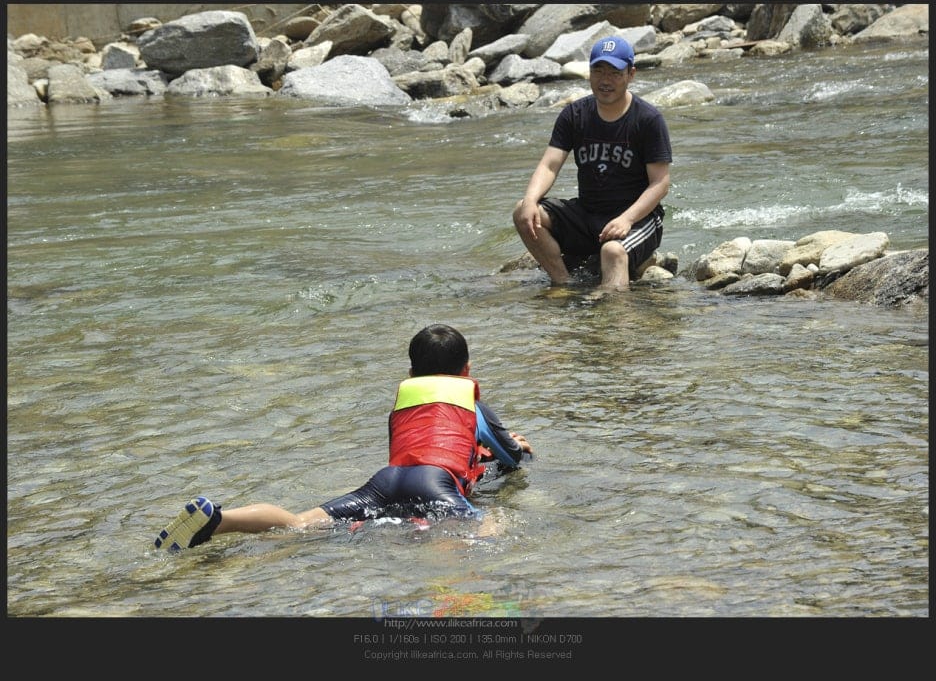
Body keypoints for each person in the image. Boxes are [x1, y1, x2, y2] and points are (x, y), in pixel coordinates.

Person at [154, 323, 534, 551]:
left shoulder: (403, 405)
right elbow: (512, 457)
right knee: (492, 522)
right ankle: (456, 569)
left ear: (411, 371)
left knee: (302, 523)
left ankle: (220, 519)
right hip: (435, 484)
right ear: (466, 370)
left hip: (387, 481)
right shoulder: (474, 406)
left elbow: (420, 447)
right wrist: (517, 446)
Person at [512, 35, 673, 291]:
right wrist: (531, 200)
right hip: (587, 215)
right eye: (598, 71)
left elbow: (660, 183)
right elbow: (549, 165)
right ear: (589, 74)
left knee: (612, 251)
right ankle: (563, 283)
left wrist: (627, 219)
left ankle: (611, 321)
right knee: (524, 212)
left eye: (614, 72)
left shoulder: (648, 119)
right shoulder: (574, 115)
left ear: (631, 74)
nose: (605, 80)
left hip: (636, 219)